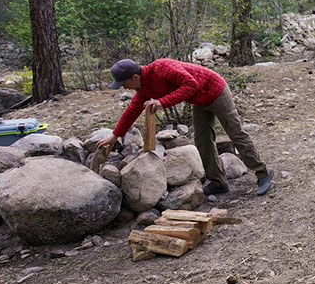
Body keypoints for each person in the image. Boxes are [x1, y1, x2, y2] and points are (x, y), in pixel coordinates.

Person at [99, 58, 273, 196]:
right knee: (202, 140)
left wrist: (162, 102)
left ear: (134, 77)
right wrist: (115, 136)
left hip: (215, 90)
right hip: (199, 101)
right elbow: (132, 110)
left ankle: (262, 173)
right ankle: (218, 182)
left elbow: (191, 84)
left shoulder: (162, 67)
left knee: (235, 133)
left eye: (124, 83)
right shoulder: (143, 89)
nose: (124, 87)